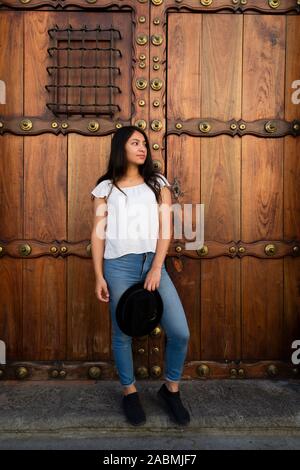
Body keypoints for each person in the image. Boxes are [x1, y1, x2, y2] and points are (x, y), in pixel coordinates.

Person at [90, 125, 190, 426]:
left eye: (144, 143)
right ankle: (130, 392)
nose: (142, 148)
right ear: (121, 147)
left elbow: (166, 229)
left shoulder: (157, 182)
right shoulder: (105, 188)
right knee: (122, 333)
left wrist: (158, 267)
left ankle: (170, 390)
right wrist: (98, 275)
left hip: (152, 265)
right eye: (135, 143)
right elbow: (98, 234)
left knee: (180, 332)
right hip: (117, 267)